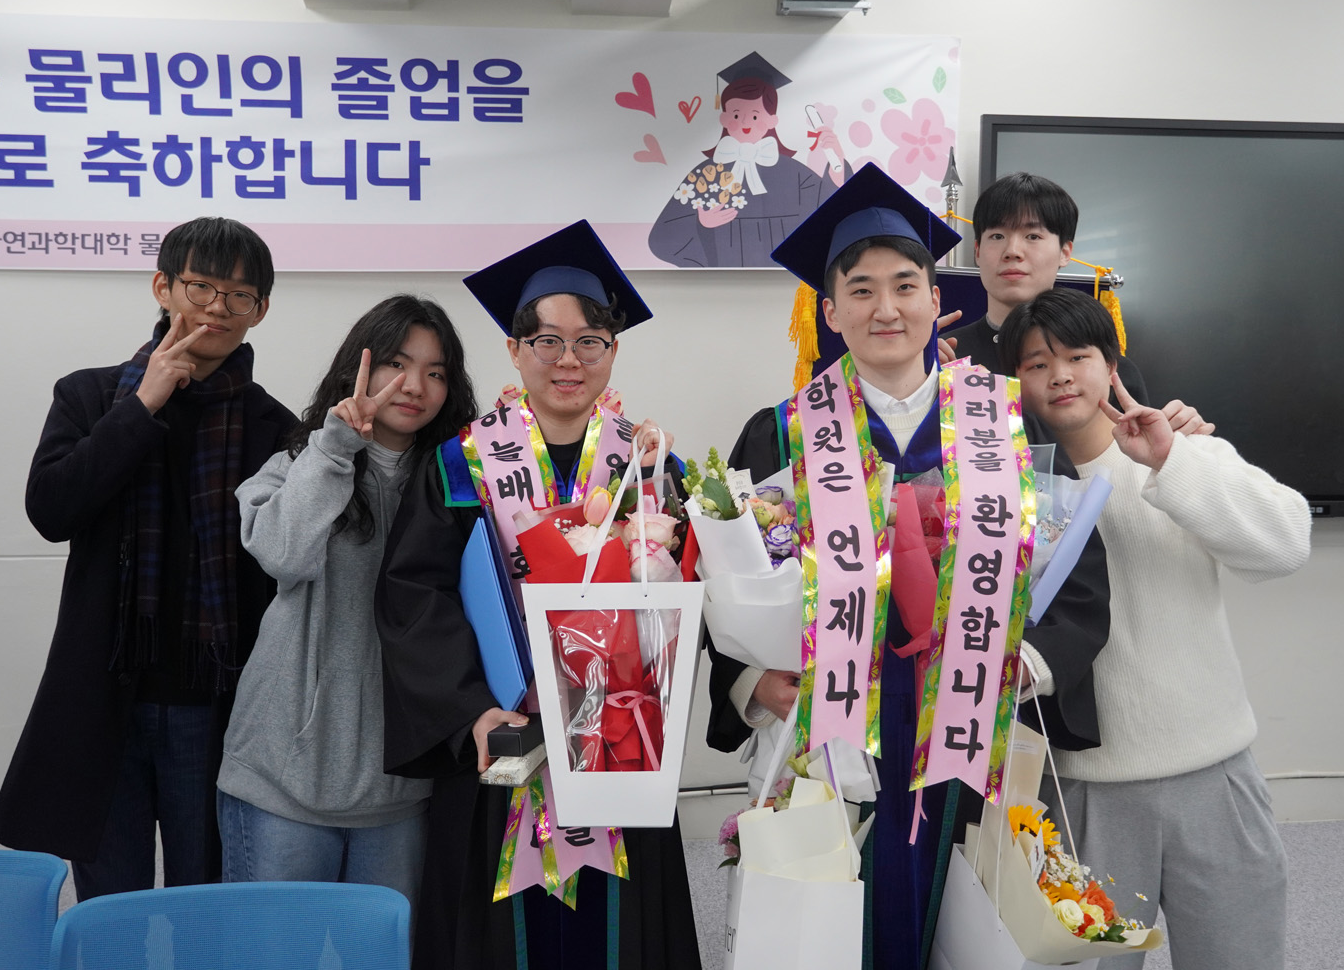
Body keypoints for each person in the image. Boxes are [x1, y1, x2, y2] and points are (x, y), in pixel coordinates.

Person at [706, 164, 1115, 969]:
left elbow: (1077, 571)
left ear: (936, 297)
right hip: (828, 730)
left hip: (965, 719)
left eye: (904, 286)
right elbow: (727, 574)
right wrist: (751, 683)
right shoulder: (781, 432)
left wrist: (1025, 664)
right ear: (830, 311)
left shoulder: (1002, 418)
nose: (885, 309)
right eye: (860, 291)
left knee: (967, 925)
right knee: (823, 926)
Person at [375, 220, 700, 970]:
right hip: (503, 744)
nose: (568, 359)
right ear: (514, 349)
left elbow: (685, 600)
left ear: (613, 351)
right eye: (546, 340)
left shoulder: (650, 467)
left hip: (620, 746)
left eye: (590, 341)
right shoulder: (461, 464)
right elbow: (415, 597)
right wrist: (471, 710)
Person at [999, 287, 1309, 970]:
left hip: (1213, 776)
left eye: (1078, 357)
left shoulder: (1182, 451)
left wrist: (1173, 461)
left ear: (1111, 366)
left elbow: (1287, 545)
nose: (1060, 376)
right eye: (1036, 364)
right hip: (1078, 793)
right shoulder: (1002, 496)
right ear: (1015, 382)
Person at [0, 218, 297, 898]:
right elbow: (52, 511)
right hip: (104, 700)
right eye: (200, 286)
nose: (217, 307)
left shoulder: (275, 426)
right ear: (164, 287)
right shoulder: (90, 396)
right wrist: (143, 404)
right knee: (109, 909)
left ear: (260, 310)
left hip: (216, 706)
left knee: (207, 905)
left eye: (239, 295)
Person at [216, 296, 475, 914]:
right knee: (275, 955)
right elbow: (282, 554)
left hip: (401, 792)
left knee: (384, 955)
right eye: (396, 364)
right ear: (357, 368)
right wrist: (334, 450)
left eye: (436, 372)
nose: (415, 386)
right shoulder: (294, 464)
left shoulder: (462, 484)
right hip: (283, 781)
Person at [945, 170, 1212, 437]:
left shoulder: (1107, 370)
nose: (1012, 251)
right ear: (977, 251)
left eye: (1033, 236)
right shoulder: (944, 358)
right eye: (997, 236)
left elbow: (1136, 452)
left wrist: (1181, 437)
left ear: (1065, 252)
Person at [649, 51, 851, 267]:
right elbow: (661, 238)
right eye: (736, 114)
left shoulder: (793, 173)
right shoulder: (706, 176)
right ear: (724, 118)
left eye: (755, 115)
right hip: (723, 282)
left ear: (772, 120)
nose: (745, 122)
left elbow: (833, 212)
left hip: (783, 280)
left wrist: (837, 162)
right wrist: (701, 224)